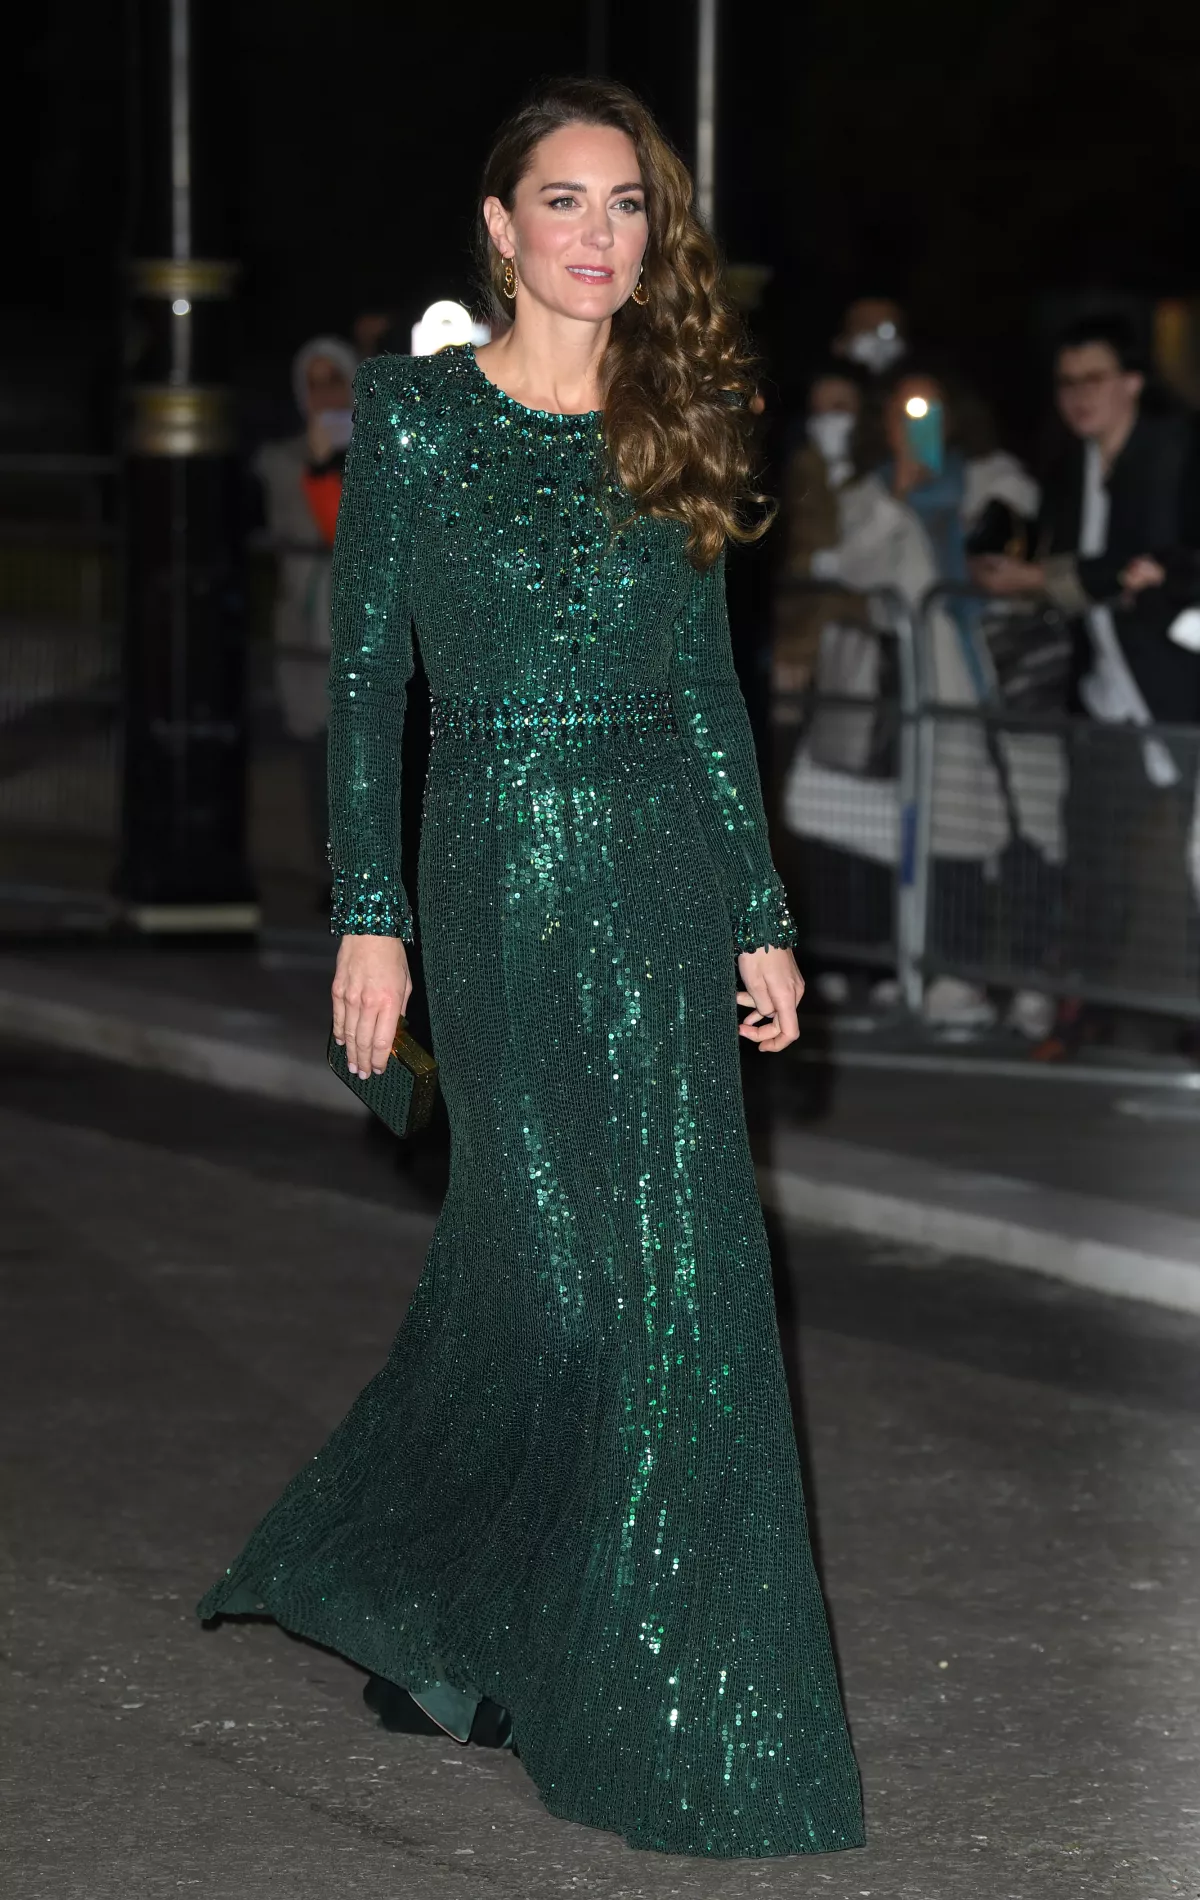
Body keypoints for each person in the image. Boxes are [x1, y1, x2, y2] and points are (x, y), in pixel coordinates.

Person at [198, 79, 864, 1859]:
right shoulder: (412, 419)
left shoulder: (685, 413)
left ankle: (620, 1661)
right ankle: (423, 1577)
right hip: (492, 869)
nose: (596, 234)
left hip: (655, 870)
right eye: (562, 202)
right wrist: (367, 910)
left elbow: (712, 691)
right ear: (500, 229)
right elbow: (370, 689)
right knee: (549, 1273)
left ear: (653, 235)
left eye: (627, 206)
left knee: (679, 1291)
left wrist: (759, 910)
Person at [975, 313, 1200, 1035]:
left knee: (1196, 866)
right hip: (1107, 692)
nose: (1078, 396)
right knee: (1097, 856)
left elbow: (1152, 563)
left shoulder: (1172, 452)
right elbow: (1098, 574)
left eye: (1094, 379)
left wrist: (1045, 578)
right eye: (1067, 383)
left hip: (1179, 687)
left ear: (1134, 381)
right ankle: (1087, 1015)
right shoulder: (1072, 467)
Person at [252, 335, 358, 884]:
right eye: (314, 384)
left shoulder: (388, 449)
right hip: (310, 629)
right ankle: (330, 875)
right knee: (319, 754)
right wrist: (322, 465)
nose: (325, 395)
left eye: (335, 380)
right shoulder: (281, 461)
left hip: (369, 630)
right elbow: (318, 531)